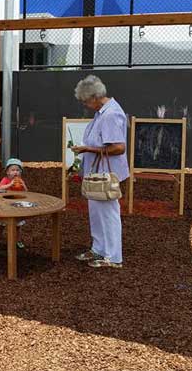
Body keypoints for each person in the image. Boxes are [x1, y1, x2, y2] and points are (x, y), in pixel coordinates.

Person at [70, 75, 128, 269]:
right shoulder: (102, 113)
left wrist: (88, 150)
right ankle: (99, 249)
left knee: (108, 213)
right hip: (97, 173)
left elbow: (119, 147)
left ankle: (113, 256)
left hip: (105, 174)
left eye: (86, 101)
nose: (85, 105)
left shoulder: (110, 114)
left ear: (95, 97)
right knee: (96, 212)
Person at [0, 158, 29, 249]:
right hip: (6, 205)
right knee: (1, 224)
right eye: (13, 170)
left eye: (17, 170)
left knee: (18, 225)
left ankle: (18, 240)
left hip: (17, 205)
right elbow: (0, 188)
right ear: (8, 172)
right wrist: (10, 184)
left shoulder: (20, 180)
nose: (15, 172)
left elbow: (26, 191)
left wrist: (23, 185)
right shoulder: (5, 180)